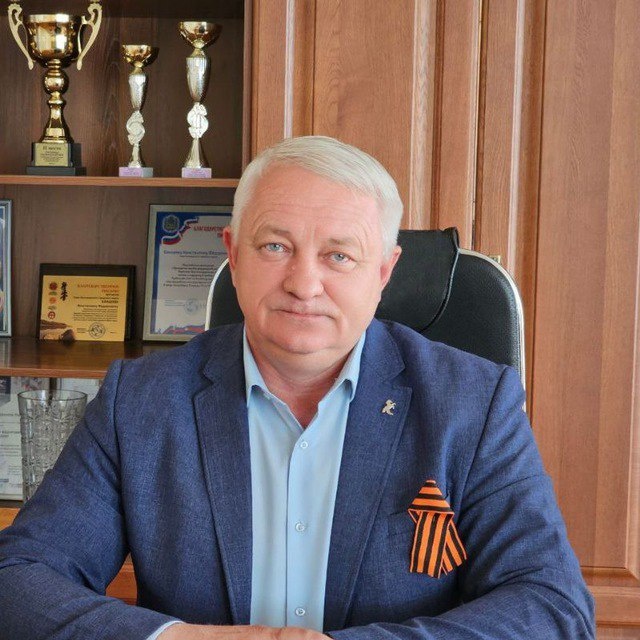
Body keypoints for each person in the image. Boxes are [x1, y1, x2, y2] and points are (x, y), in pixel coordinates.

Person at [0, 136, 594, 639]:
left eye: (339, 256)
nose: (304, 284)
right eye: (275, 246)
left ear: (384, 272)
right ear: (234, 255)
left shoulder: (474, 404)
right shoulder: (140, 401)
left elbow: (553, 607)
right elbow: (19, 577)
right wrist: (181, 639)